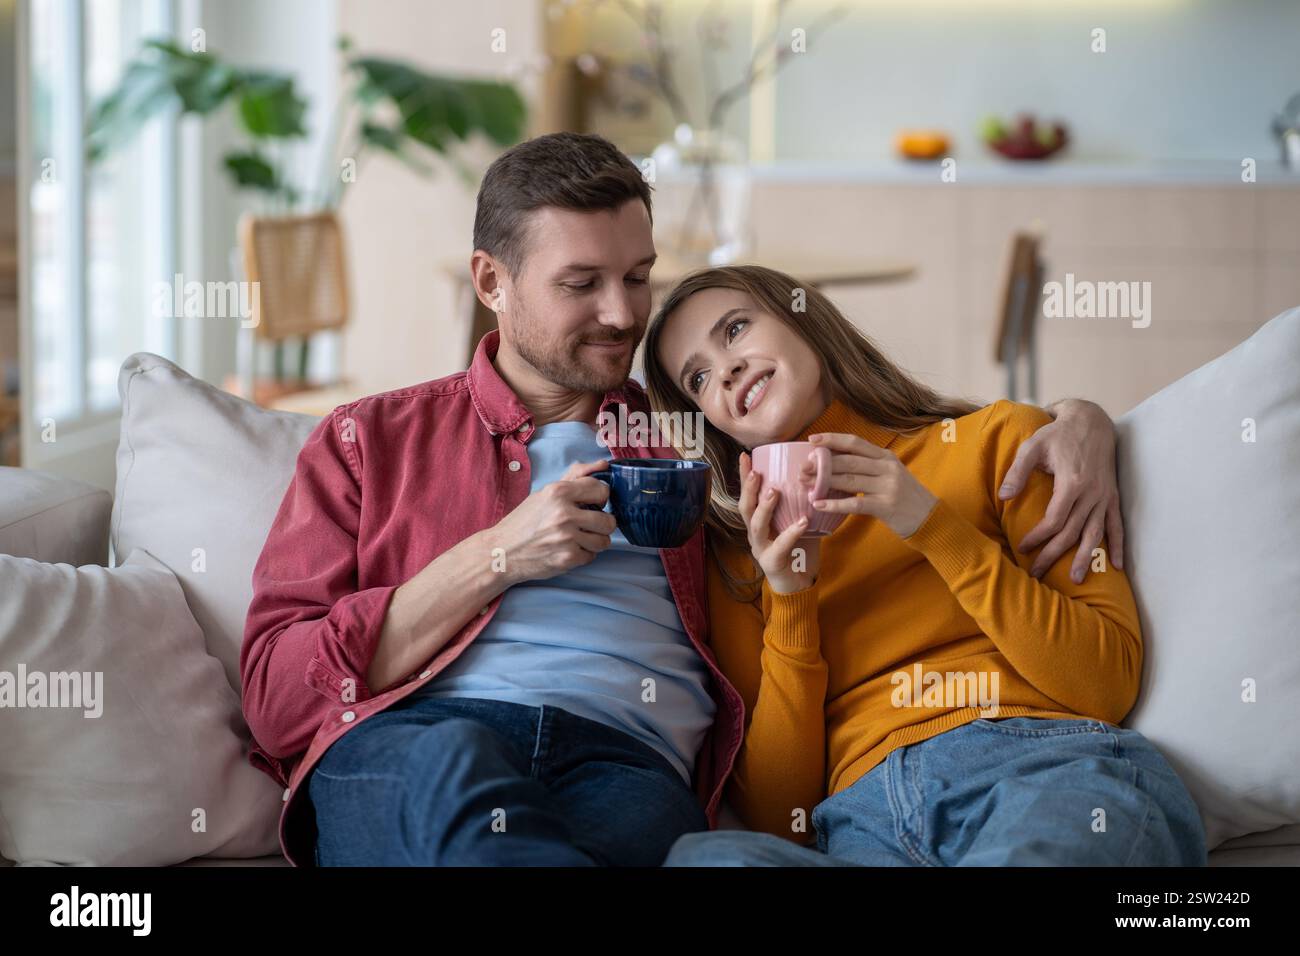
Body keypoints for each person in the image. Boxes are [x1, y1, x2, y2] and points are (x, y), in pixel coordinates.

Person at [241, 132, 1126, 867]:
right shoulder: (371, 440)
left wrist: (1084, 419)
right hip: (425, 734)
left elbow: (919, 438)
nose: (622, 316)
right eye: (581, 285)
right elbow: (278, 698)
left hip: (623, 768)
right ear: (491, 284)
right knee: (454, 773)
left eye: (638, 276)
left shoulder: (701, 445)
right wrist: (495, 556)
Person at [643, 264, 1207, 866]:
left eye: (734, 329)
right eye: (698, 377)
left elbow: (1106, 685)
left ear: (802, 316)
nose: (724, 369)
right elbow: (782, 817)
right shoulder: (740, 559)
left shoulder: (1001, 443)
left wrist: (929, 525)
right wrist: (792, 598)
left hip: (1043, 771)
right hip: (865, 823)